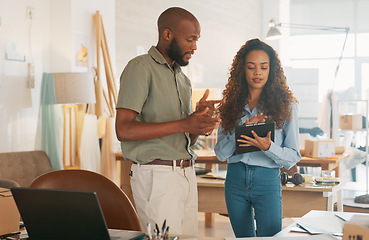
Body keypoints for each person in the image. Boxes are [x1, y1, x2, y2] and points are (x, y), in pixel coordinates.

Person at [115, 7, 220, 236]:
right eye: (190, 39)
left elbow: (187, 141)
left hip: (186, 174)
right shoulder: (140, 68)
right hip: (157, 176)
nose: (194, 47)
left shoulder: (183, 79)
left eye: (197, 40)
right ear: (168, 34)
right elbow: (123, 129)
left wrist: (198, 122)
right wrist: (185, 123)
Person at [214, 38, 302, 237]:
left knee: (270, 238)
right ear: (241, 70)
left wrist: (267, 146)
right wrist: (242, 132)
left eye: (263, 67)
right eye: (251, 67)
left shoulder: (287, 106)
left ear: (272, 70)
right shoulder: (230, 105)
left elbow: (292, 156)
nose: (257, 73)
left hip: (267, 180)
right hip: (235, 180)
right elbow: (220, 154)